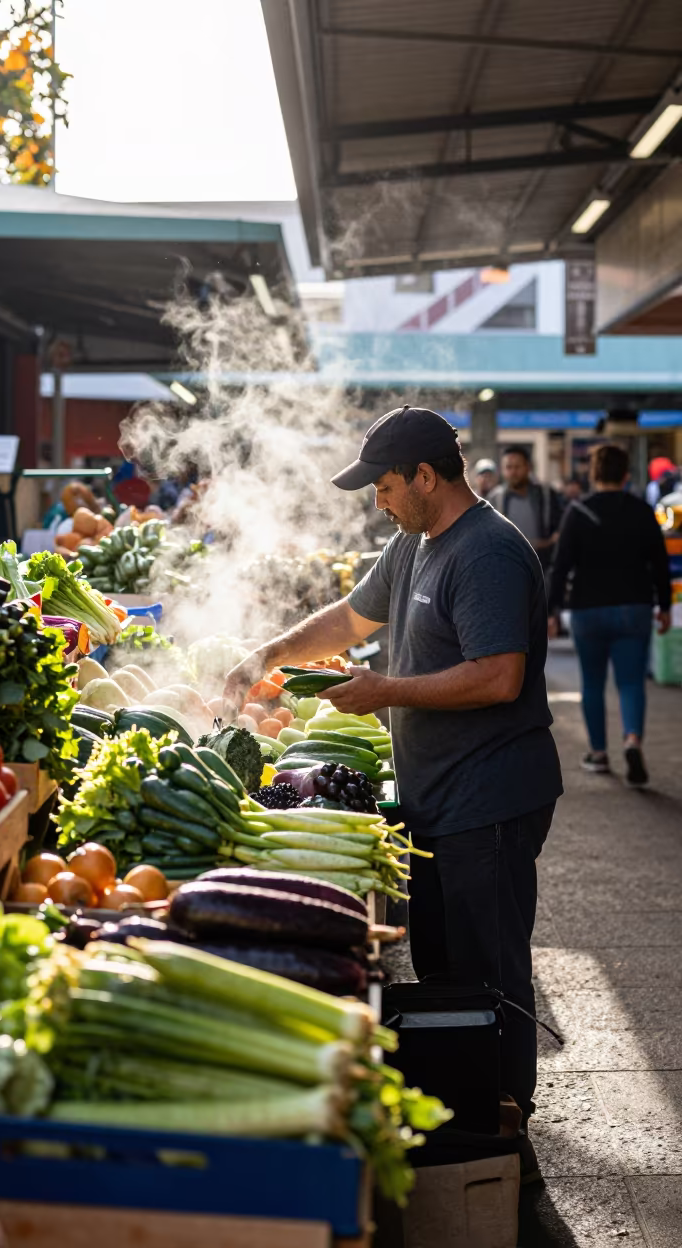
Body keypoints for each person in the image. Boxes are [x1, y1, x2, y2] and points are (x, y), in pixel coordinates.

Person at [224, 405, 563, 1159]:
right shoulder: (414, 543)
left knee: (493, 972)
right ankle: (472, 1113)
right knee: (446, 971)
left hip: (491, 798)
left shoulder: (487, 554)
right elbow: (352, 618)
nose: (376, 500)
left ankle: (509, 1128)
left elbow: (500, 677)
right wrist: (266, 655)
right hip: (435, 796)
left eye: (382, 485)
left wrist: (386, 691)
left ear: (425, 477)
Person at [549, 443, 671, 787]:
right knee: (631, 682)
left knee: (592, 682)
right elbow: (659, 563)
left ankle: (599, 753)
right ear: (627, 475)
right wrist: (663, 605)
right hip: (634, 607)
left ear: (593, 474)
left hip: (588, 610)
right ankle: (632, 739)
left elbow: (561, 567)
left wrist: (552, 610)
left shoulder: (578, 512)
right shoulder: (642, 511)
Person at [489, 446, 563, 570]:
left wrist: (548, 543)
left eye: (517, 467)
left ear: (528, 467)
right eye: (508, 467)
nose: (513, 472)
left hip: (542, 566)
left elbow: (560, 527)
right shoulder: (495, 499)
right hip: (507, 567)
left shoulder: (546, 495)